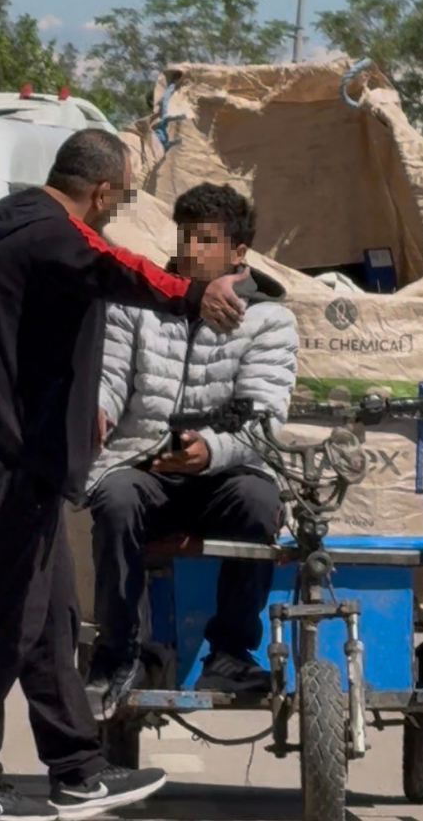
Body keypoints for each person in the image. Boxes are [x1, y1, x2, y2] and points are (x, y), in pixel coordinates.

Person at [0, 130, 246, 821]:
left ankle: (77, 770)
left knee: (54, 614)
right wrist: (194, 294)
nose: (113, 212)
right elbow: (118, 268)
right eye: (117, 198)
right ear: (99, 190)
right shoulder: (52, 235)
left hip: (13, 453)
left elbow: (38, 335)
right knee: (7, 620)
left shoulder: (9, 222)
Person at [86, 182, 298, 715]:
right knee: (113, 500)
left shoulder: (269, 320)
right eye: (185, 237)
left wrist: (211, 449)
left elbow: (264, 414)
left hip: (222, 473)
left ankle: (229, 652)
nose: (190, 250)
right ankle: (118, 654)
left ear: (238, 253)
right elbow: (110, 374)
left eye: (205, 240)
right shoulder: (138, 301)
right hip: (145, 463)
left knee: (259, 502)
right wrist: (98, 408)